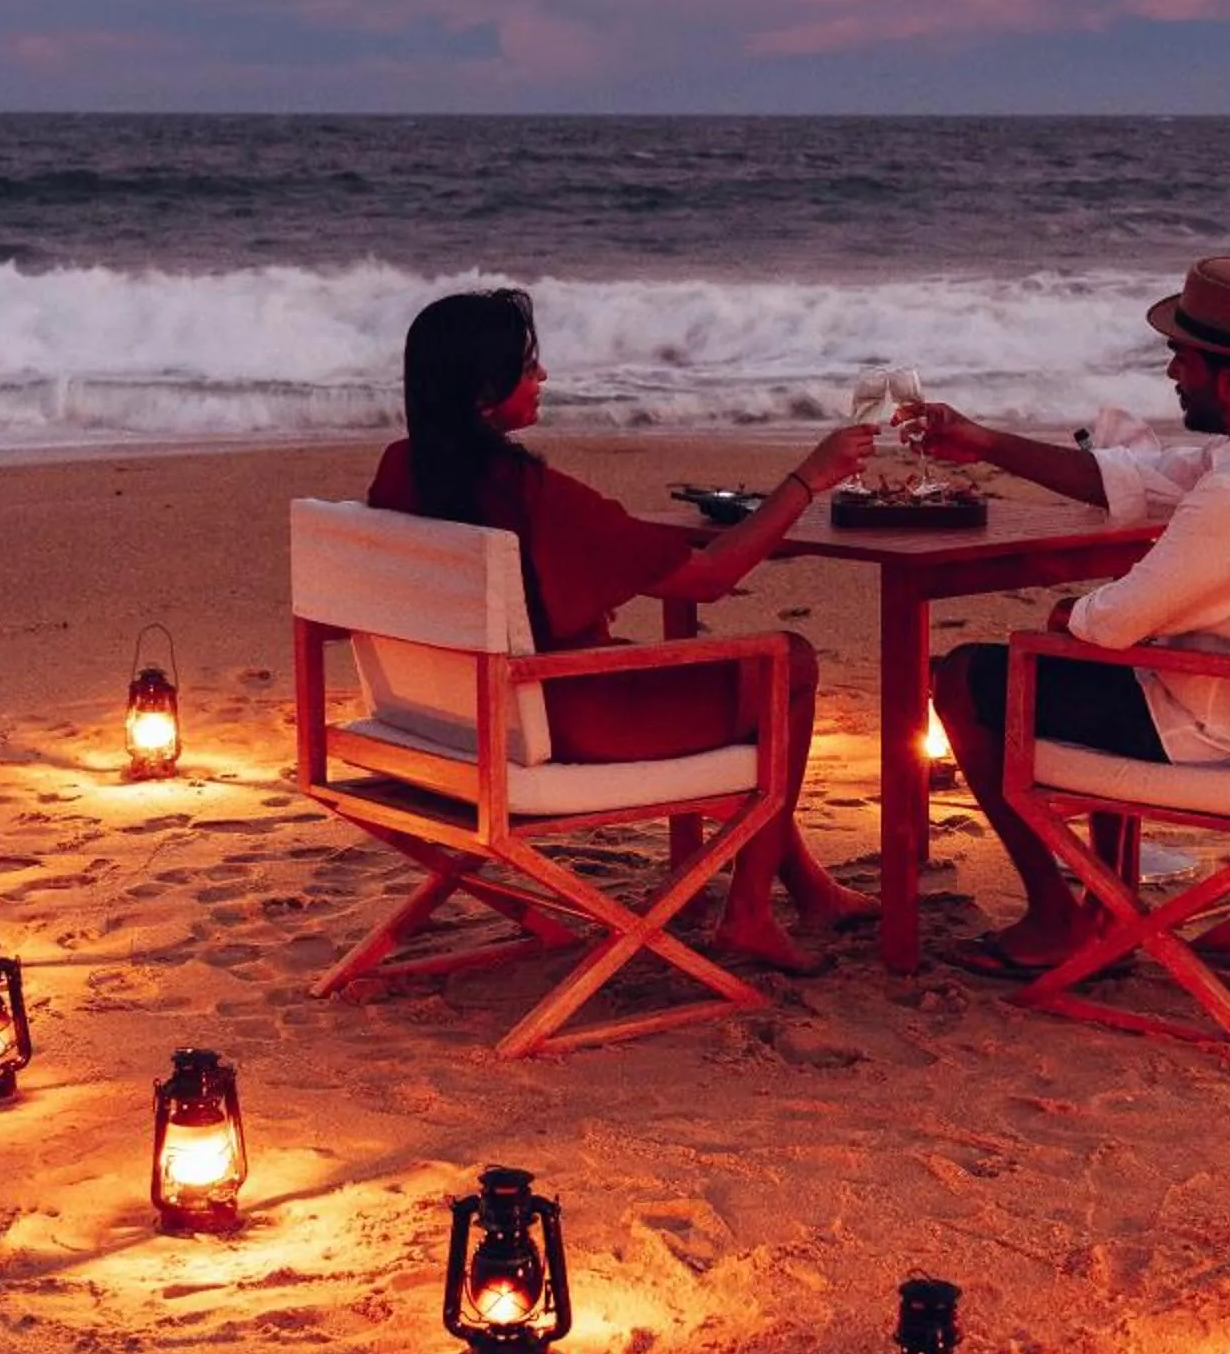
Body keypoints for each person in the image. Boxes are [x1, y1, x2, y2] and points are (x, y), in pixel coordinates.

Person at [368, 287, 876, 970]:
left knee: (709, 665)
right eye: (528, 367)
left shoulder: (403, 469)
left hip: (459, 719)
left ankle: (807, 888)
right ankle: (749, 915)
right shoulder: (531, 495)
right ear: (486, 392)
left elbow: (609, 557)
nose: (542, 377)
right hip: (565, 721)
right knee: (790, 662)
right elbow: (708, 580)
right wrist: (808, 480)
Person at [899, 256, 1230, 971]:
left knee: (968, 678)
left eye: (1182, 359)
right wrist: (986, 444)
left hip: (1218, 728)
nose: (1172, 374)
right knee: (1068, 666)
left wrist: (1069, 613)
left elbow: (1110, 625)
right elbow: (1146, 481)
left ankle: (1059, 916)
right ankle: (1106, 892)